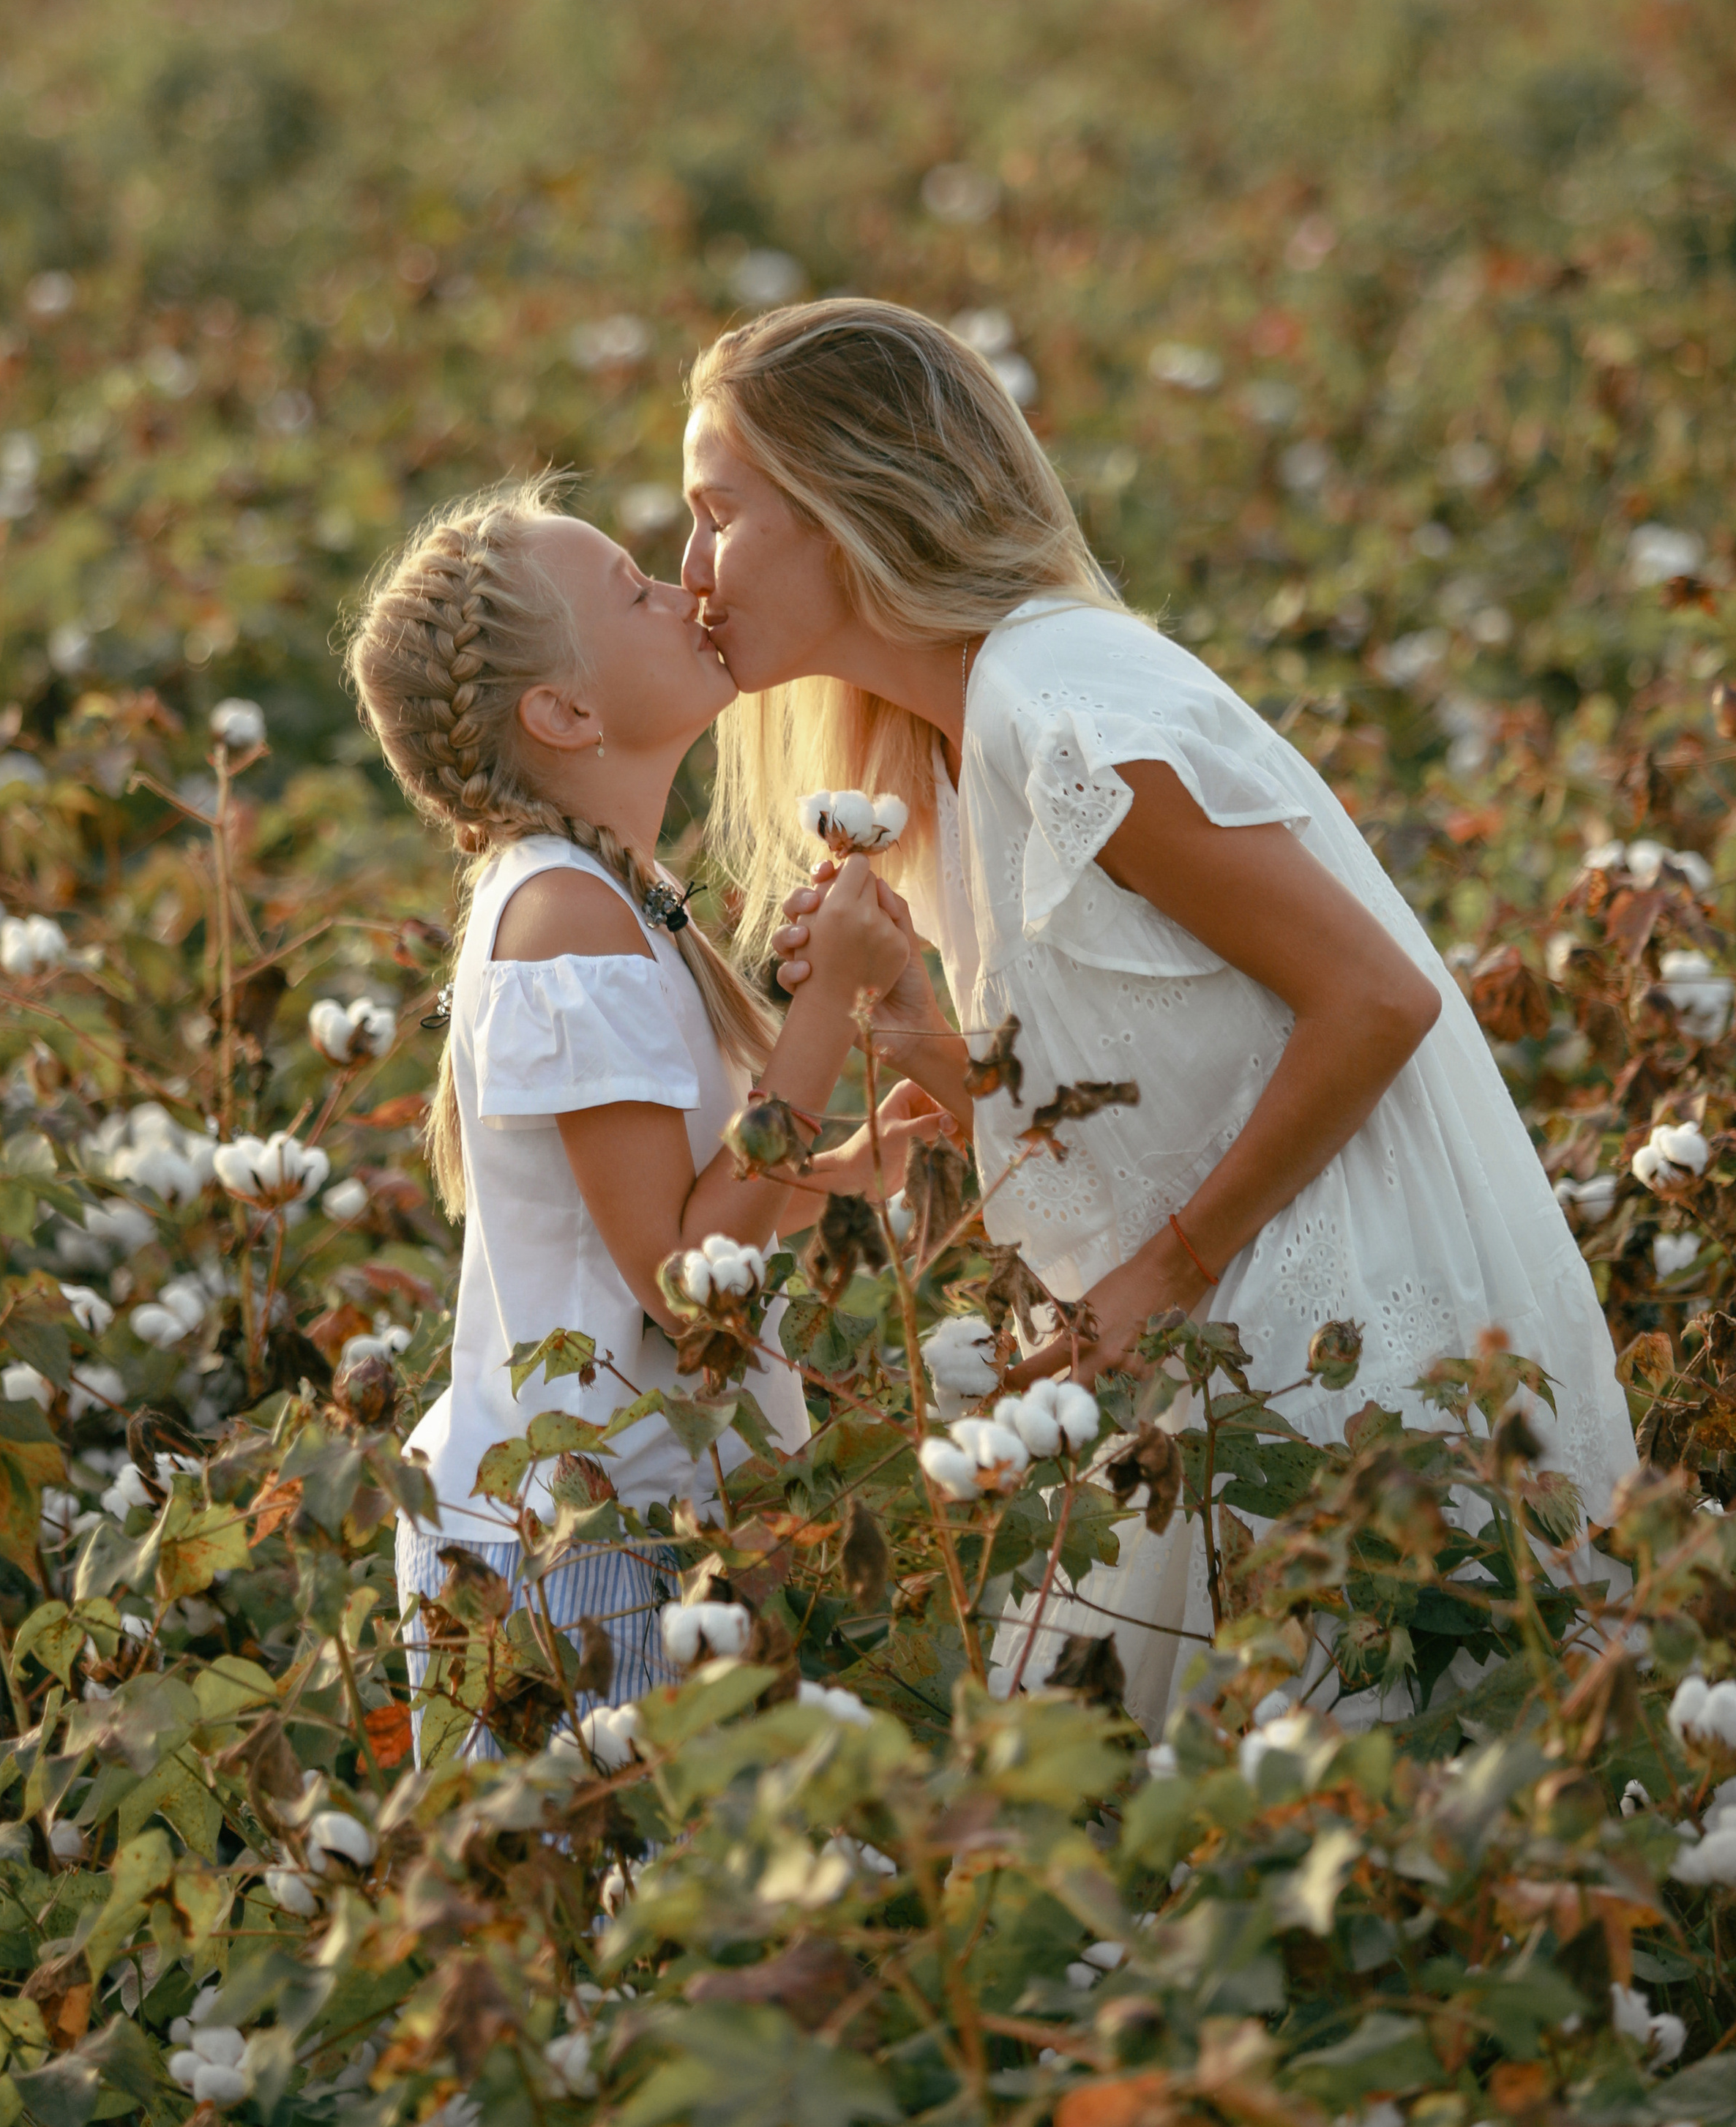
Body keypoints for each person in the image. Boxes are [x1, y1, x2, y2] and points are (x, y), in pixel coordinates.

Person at [678, 296, 1636, 1732]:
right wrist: (913, 1039)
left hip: (1348, 1358)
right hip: (1224, 1356)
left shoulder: (1057, 709)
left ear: (845, 511)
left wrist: (1163, 1275)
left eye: (716, 513)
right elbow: (1137, 1099)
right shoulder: (961, 735)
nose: (688, 568)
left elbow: (1374, 1000)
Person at [343, 474, 933, 1757]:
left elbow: (680, 1209)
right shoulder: (567, 918)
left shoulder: (619, 888)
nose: (681, 586)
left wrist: (834, 1171)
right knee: (637, 1942)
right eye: (633, 588)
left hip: (623, 1518)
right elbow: (682, 1284)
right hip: (576, 1557)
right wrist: (829, 1002)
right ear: (563, 710)